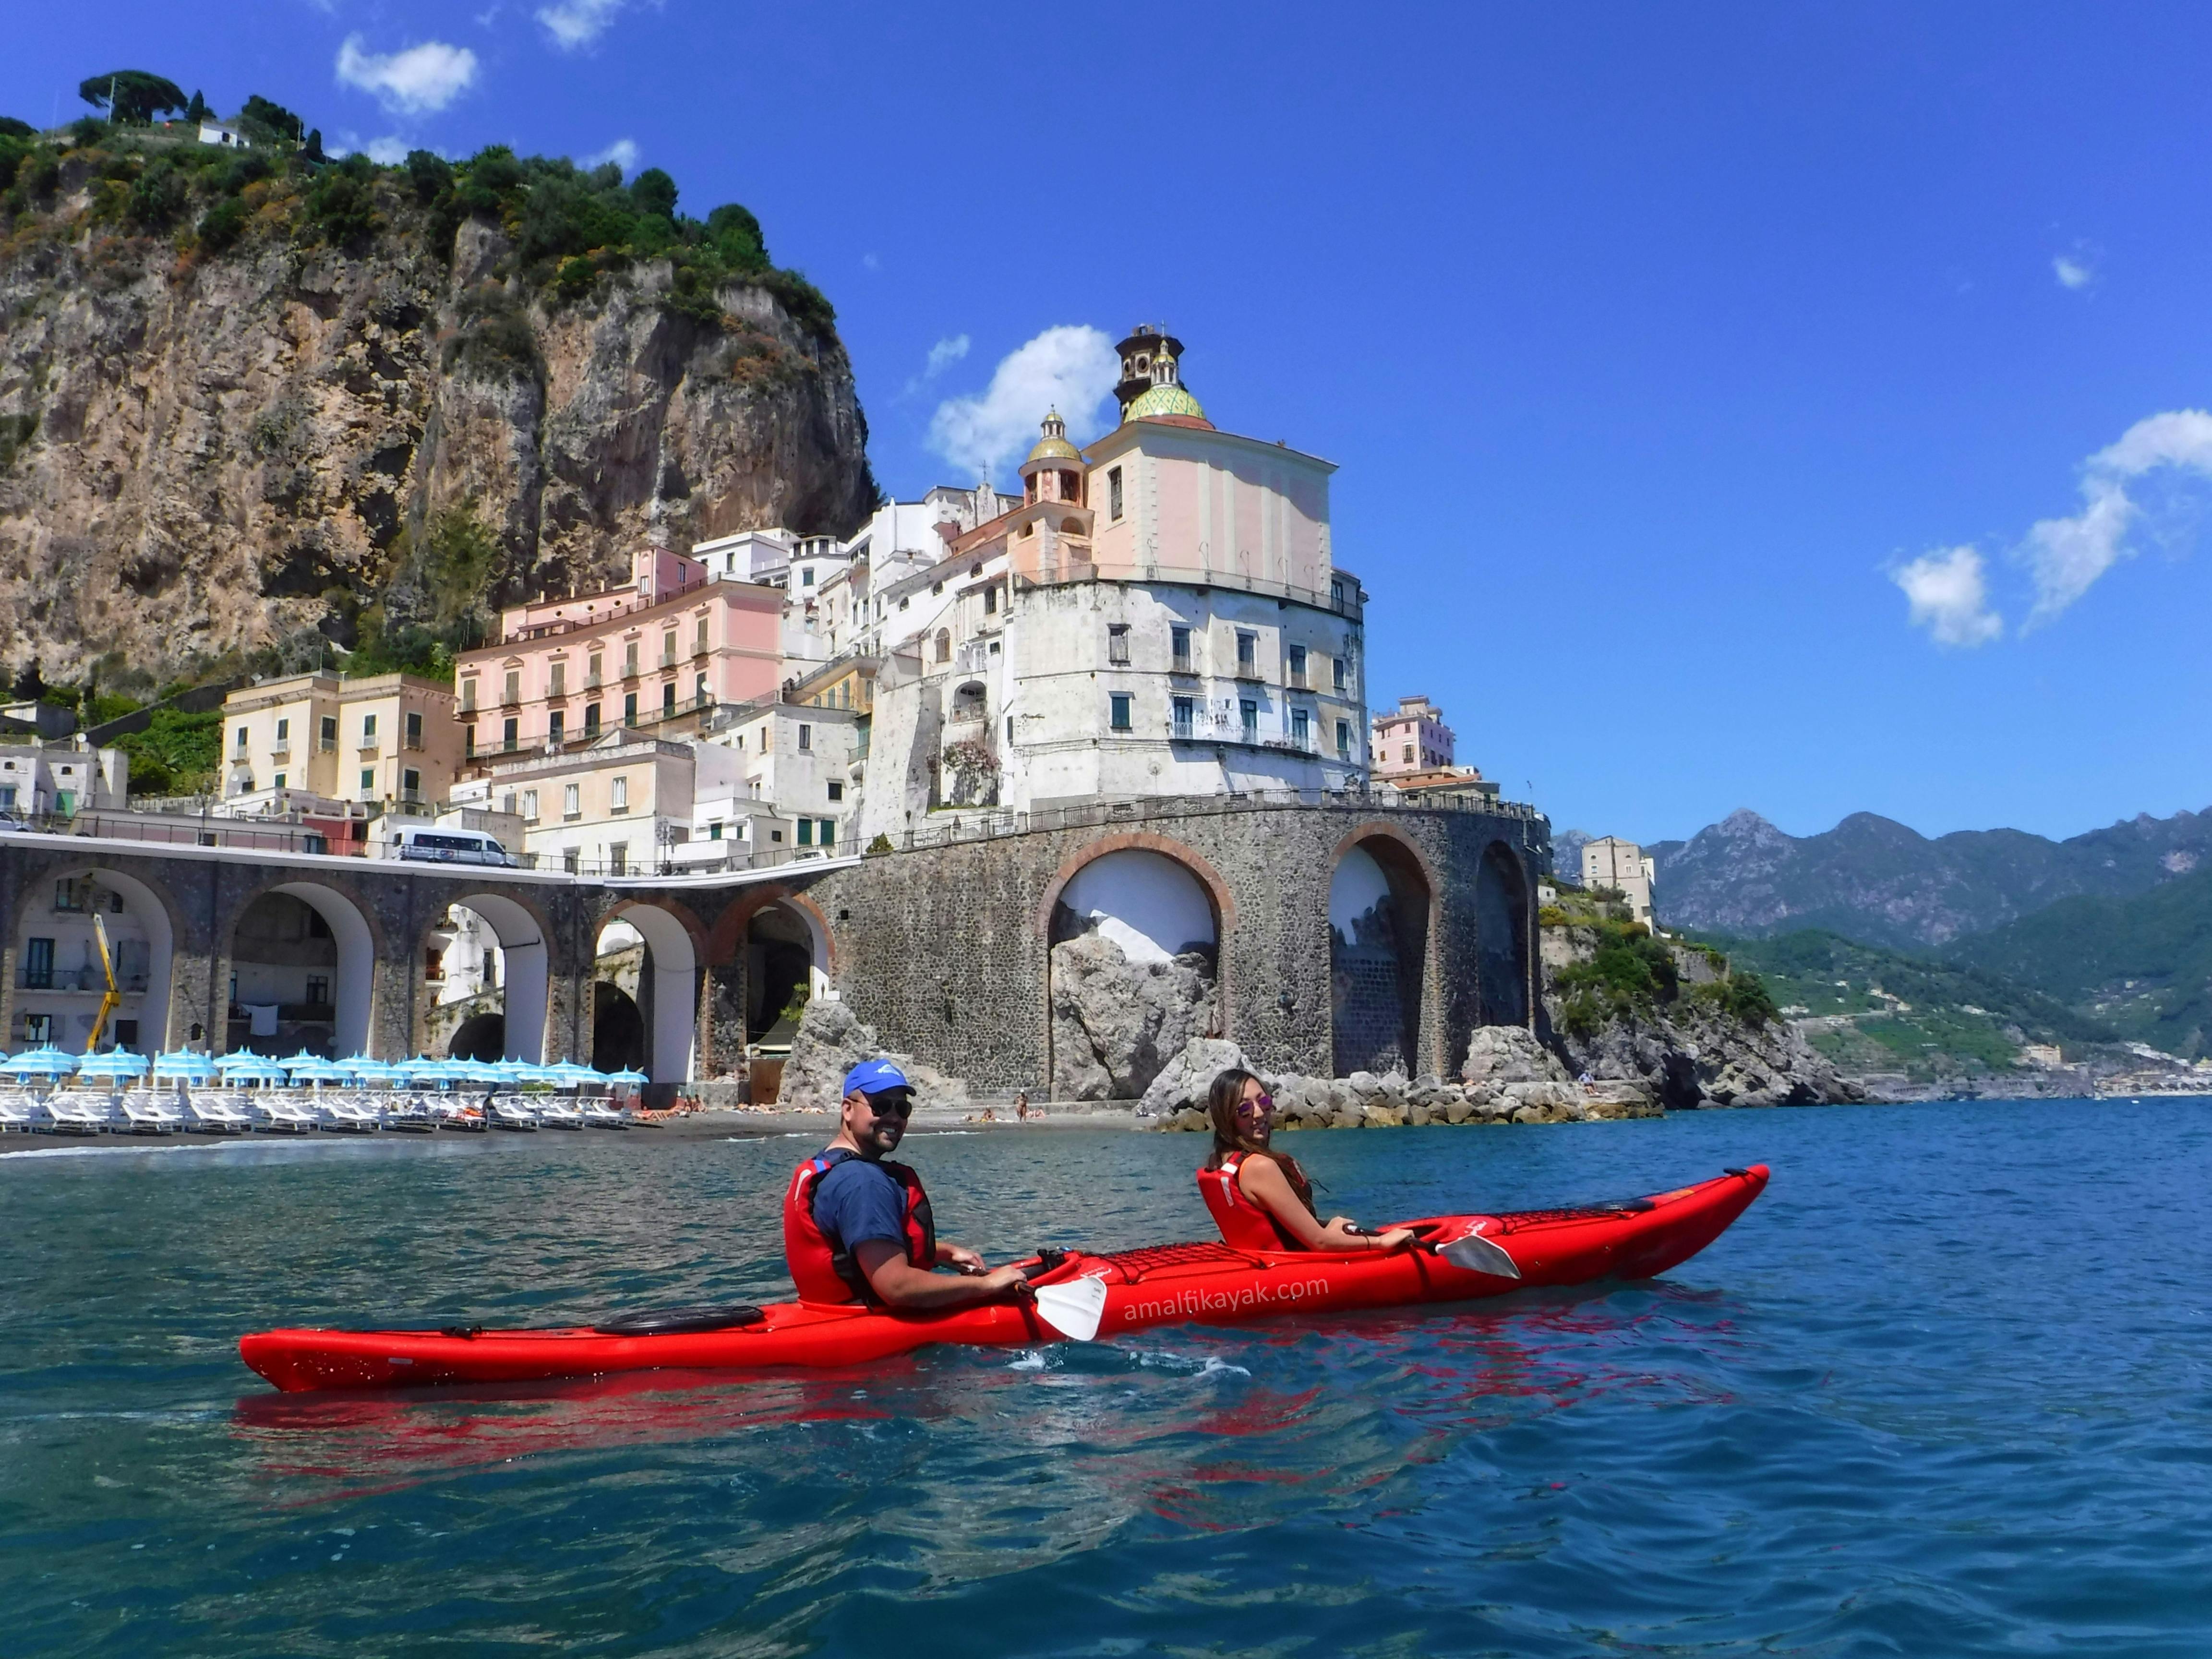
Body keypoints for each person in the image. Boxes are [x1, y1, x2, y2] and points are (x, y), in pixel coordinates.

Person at [783, 1058, 1032, 1309]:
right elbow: (897, 1286)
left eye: (902, 1109)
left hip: (827, 1311)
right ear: (848, 1109)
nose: (893, 1117)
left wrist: (939, 1252)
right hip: (869, 1329)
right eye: (880, 1106)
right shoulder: (863, 1182)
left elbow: (850, 1247)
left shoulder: (831, 1166)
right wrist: (987, 1285)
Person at [1196, 1069, 1416, 1253]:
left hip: (1264, 1269)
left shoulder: (1220, 1161)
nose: (1258, 1113)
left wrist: (1330, 1227)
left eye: (1263, 1101)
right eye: (1244, 1109)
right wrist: (1380, 1242)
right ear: (1226, 1117)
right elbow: (1319, 1243)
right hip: (1293, 1274)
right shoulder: (1259, 1167)